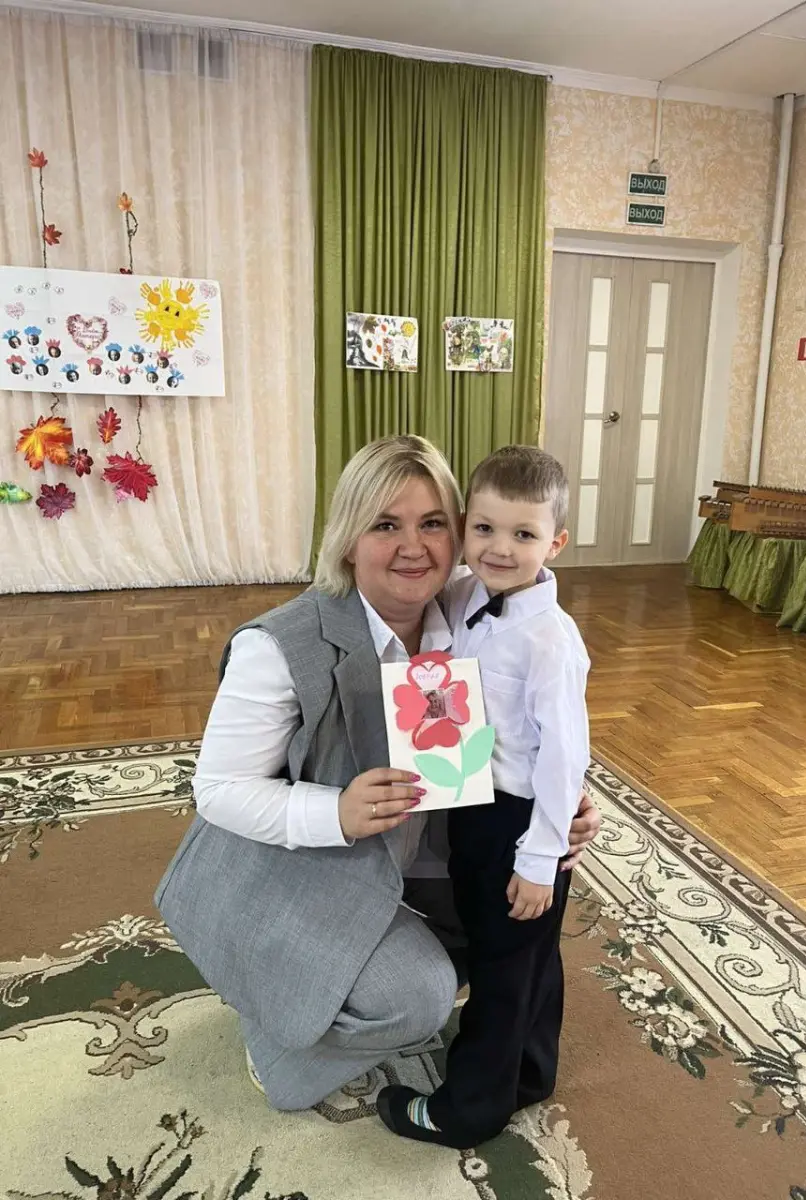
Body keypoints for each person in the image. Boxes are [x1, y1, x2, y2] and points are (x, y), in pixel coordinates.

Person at [154, 435, 601, 1111]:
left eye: (433, 523)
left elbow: (530, 729)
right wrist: (332, 812)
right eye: (386, 525)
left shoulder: (470, 611)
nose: (413, 547)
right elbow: (217, 790)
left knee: (504, 937)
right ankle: (277, 1036)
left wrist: (560, 804)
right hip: (302, 866)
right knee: (418, 998)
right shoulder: (278, 646)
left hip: (424, 854)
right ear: (347, 539)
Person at [377, 446, 590, 1148]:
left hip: (519, 823)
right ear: (466, 526)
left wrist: (540, 857)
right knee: (527, 954)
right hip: (471, 801)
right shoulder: (465, 592)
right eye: (486, 529)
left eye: (523, 534)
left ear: (555, 543)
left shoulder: (551, 641)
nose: (500, 548)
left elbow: (564, 757)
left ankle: (467, 1107)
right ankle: (529, 1071)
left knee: (504, 963)